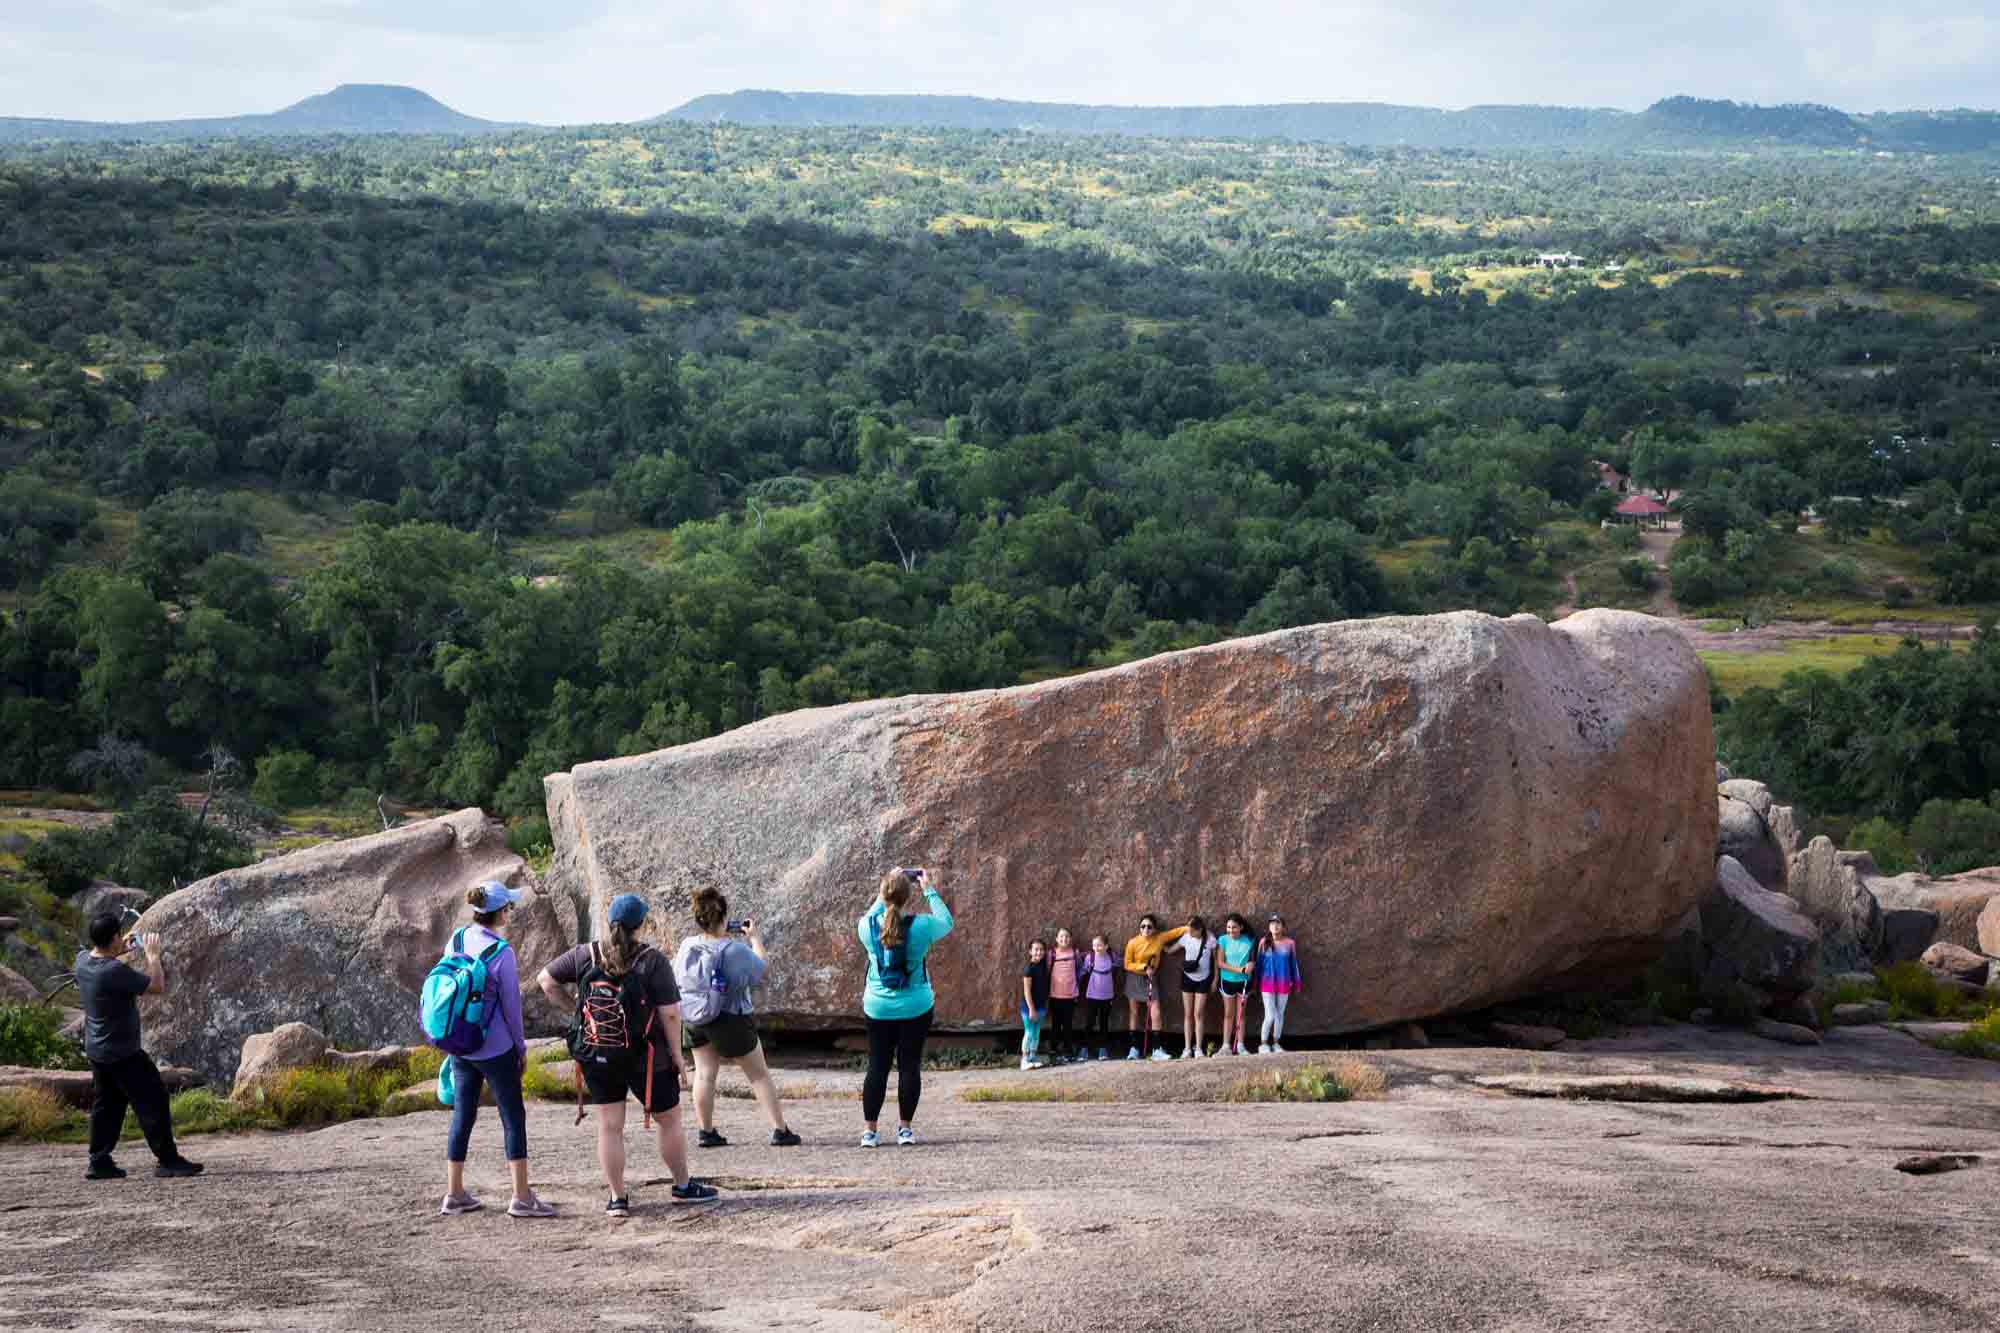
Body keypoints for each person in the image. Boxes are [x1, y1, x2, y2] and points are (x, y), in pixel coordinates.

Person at [538, 893, 719, 1216]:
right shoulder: (652, 961)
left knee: (609, 1126)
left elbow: (546, 980)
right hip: (646, 1057)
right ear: (641, 925)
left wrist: (576, 1012)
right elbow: (671, 1014)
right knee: (669, 1120)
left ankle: (617, 1199)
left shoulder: (586, 954)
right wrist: (678, 1057)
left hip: (597, 1053)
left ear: (610, 923)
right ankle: (681, 1186)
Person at [440, 881, 552, 1218]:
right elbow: (511, 1008)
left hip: (461, 1044)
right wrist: (520, 1048)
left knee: (463, 1115)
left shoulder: (456, 939)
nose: (510, 913)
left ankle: (454, 1193)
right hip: (496, 1047)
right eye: (509, 908)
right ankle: (521, 1196)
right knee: (513, 1117)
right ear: (500, 912)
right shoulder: (501, 952)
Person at [73, 913, 201, 1181]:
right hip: (123, 1053)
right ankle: (168, 1161)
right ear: (114, 938)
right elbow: (156, 986)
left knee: (107, 1104)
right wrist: (152, 956)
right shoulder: (113, 971)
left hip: (98, 1050)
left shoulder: (82, 960)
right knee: (153, 1099)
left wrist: (121, 948)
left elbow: (104, 961)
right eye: (120, 936)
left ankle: (99, 1162)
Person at [675, 887, 801, 1149]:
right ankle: (780, 1130)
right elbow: (760, 968)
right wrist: (754, 938)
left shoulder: (688, 945)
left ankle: (706, 1132)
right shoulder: (734, 950)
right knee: (758, 1075)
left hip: (695, 1017)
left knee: (704, 1074)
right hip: (730, 1018)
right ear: (723, 919)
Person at [857, 867, 954, 1148]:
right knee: (909, 1066)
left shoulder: (866, 926)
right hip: (916, 1006)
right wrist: (929, 889)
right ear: (908, 897)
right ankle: (905, 1130)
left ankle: (870, 1133)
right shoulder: (922, 926)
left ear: (883, 893)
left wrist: (885, 885)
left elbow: (872, 913)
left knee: (877, 1066)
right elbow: (946, 922)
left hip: (878, 1007)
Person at [1122, 914, 1189, 1062]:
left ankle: (1157, 1048)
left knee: (1155, 1012)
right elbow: (1127, 964)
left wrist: (1189, 927)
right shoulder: (1133, 942)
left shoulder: (1159, 939)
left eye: (1149, 926)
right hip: (1134, 977)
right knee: (1134, 1012)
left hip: (1151, 978)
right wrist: (1143, 966)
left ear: (1154, 929)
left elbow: (1176, 932)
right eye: (1143, 926)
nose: (1146, 929)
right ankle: (1134, 1048)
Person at [1257, 914, 1303, 1054]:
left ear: (1283, 927)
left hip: (1284, 983)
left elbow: (1293, 964)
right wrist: (1255, 983)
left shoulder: (1290, 943)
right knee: (1270, 1015)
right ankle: (1263, 1043)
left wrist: (1297, 983)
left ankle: (1276, 1043)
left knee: (1279, 1014)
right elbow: (1259, 964)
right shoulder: (1263, 942)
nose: (1275, 926)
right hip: (1267, 984)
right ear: (1269, 927)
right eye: (1272, 923)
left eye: (1278, 923)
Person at [1173, 915, 1217, 1058]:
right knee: (1188, 1014)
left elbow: (1216, 961)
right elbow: (1171, 949)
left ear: (1200, 929)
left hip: (1203, 979)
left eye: (1192, 930)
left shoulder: (1210, 939)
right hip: (1187, 978)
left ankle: (1198, 1048)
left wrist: (1215, 980)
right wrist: (1160, 946)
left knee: (1198, 1014)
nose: (1189, 932)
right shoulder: (1186, 937)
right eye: (1189, 929)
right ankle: (1187, 1048)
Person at [1216, 913, 1256, 1056]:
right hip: (1227, 981)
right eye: (1228, 927)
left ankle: (1240, 1045)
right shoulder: (1223, 940)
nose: (1231, 930)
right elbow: (1220, 963)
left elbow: (1252, 958)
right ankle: (1226, 1046)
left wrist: (1251, 964)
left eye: (1234, 927)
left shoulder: (1249, 940)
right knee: (1228, 1013)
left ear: (1241, 927)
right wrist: (1240, 969)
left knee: (1241, 1014)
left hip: (1244, 982)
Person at [1045, 928, 1084, 1062]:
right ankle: (1053, 1049)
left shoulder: (1075, 953)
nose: (1064, 939)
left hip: (1070, 995)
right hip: (1055, 995)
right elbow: (1048, 971)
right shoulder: (1052, 954)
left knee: (1068, 1024)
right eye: (1061, 937)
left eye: (1067, 936)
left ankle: (1068, 1049)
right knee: (1056, 1024)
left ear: (1071, 939)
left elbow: (1079, 969)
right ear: (1056, 939)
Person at [1080, 934, 1119, 1060]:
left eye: (1099, 945)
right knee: (1089, 1022)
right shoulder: (1090, 958)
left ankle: (1103, 1049)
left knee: (1104, 1023)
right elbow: (1082, 971)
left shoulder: (1112, 957)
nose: (1096, 948)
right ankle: (1085, 1048)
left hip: (1107, 996)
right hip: (1092, 995)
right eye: (1094, 945)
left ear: (1106, 946)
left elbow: (1122, 964)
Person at [1019, 938, 1050, 1071]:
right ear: (1030, 951)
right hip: (1029, 1008)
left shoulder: (1043, 967)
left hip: (1041, 1006)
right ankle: (1024, 1059)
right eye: (1036, 949)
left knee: (1036, 1032)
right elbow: (1027, 991)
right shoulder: (1029, 969)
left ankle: (1033, 1057)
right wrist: (1031, 1009)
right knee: (1029, 1032)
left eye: (1041, 949)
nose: (1039, 952)